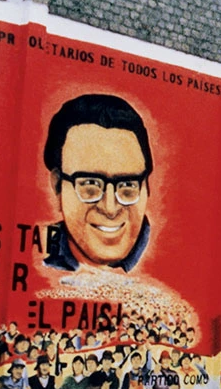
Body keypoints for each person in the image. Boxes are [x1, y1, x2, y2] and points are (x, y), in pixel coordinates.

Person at [42, 94, 153, 271]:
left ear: (146, 186)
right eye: (90, 185)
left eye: (127, 186)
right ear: (57, 186)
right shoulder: (42, 257)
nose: (110, 209)